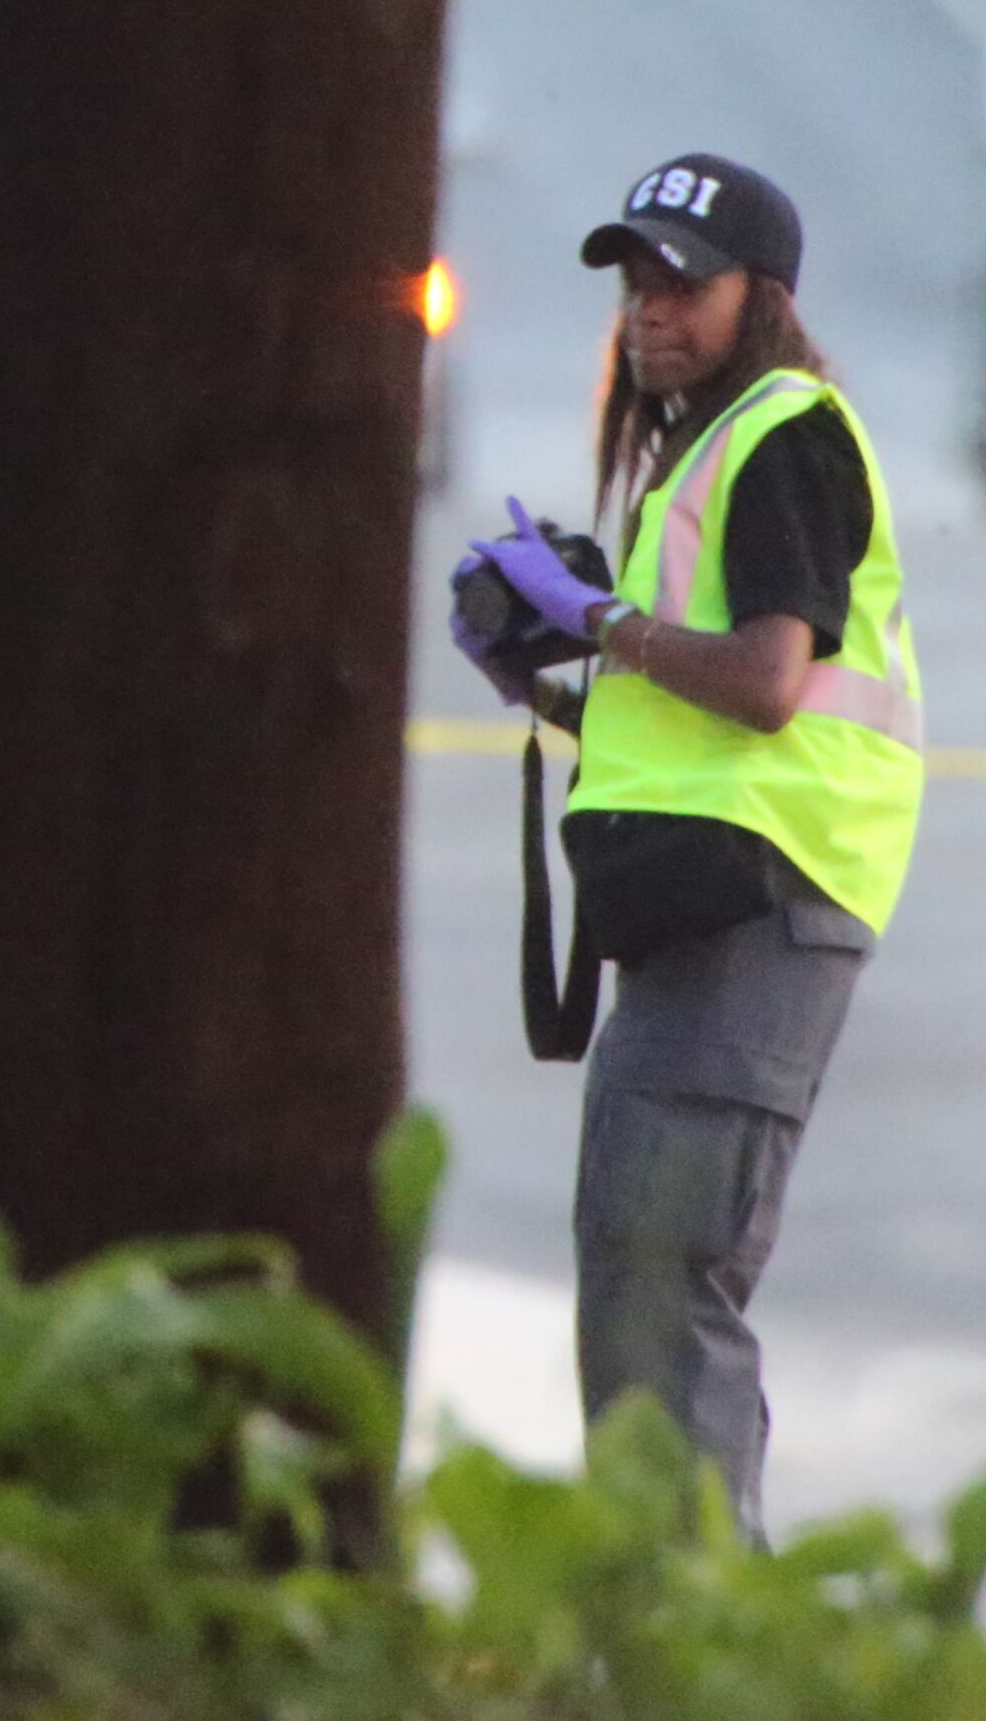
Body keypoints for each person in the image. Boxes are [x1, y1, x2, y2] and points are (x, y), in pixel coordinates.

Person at [451, 153, 925, 1542]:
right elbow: (690, 713)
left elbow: (773, 682)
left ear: (760, 299)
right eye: (635, 280)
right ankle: (684, 1639)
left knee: (667, 1287)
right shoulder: (708, 449)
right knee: (643, 1285)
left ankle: (694, 1655)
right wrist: (538, 679)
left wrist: (596, 626)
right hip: (713, 912)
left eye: (684, 282)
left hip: (763, 906)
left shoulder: (784, 430)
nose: (651, 308)